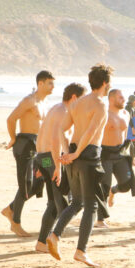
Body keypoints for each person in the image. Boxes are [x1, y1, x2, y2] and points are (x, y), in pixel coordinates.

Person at [46, 64, 114, 268]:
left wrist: (68, 151)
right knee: (91, 205)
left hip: (74, 155)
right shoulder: (101, 104)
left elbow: (62, 129)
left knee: (76, 202)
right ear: (104, 83)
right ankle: (81, 251)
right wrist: (75, 153)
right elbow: (91, 133)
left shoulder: (77, 103)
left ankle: (55, 235)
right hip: (88, 154)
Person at [1, 70, 55, 237]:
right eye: (50, 83)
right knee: (27, 182)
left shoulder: (45, 103)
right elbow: (11, 119)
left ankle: (10, 209)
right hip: (25, 146)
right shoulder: (29, 101)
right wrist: (13, 139)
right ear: (40, 83)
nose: (53, 86)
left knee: (43, 178)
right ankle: (15, 222)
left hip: (40, 147)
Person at [34, 83, 86, 252]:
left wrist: (42, 162)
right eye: (82, 99)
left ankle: (42, 242)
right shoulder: (64, 111)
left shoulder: (55, 108)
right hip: (51, 159)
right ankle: (49, 238)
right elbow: (56, 140)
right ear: (74, 97)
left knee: (53, 203)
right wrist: (57, 166)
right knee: (61, 204)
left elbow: (43, 133)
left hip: (44, 158)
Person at [96, 89, 135, 227]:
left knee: (126, 185)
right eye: (120, 98)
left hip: (120, 154)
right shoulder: (104, 114)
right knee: (103, 186)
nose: (124, 100)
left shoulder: (126, 113)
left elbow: (127, 137)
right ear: (111, 99)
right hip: (105, 154)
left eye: (123, 97)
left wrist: (133, 156)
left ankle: (114, 191)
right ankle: (100, 219)